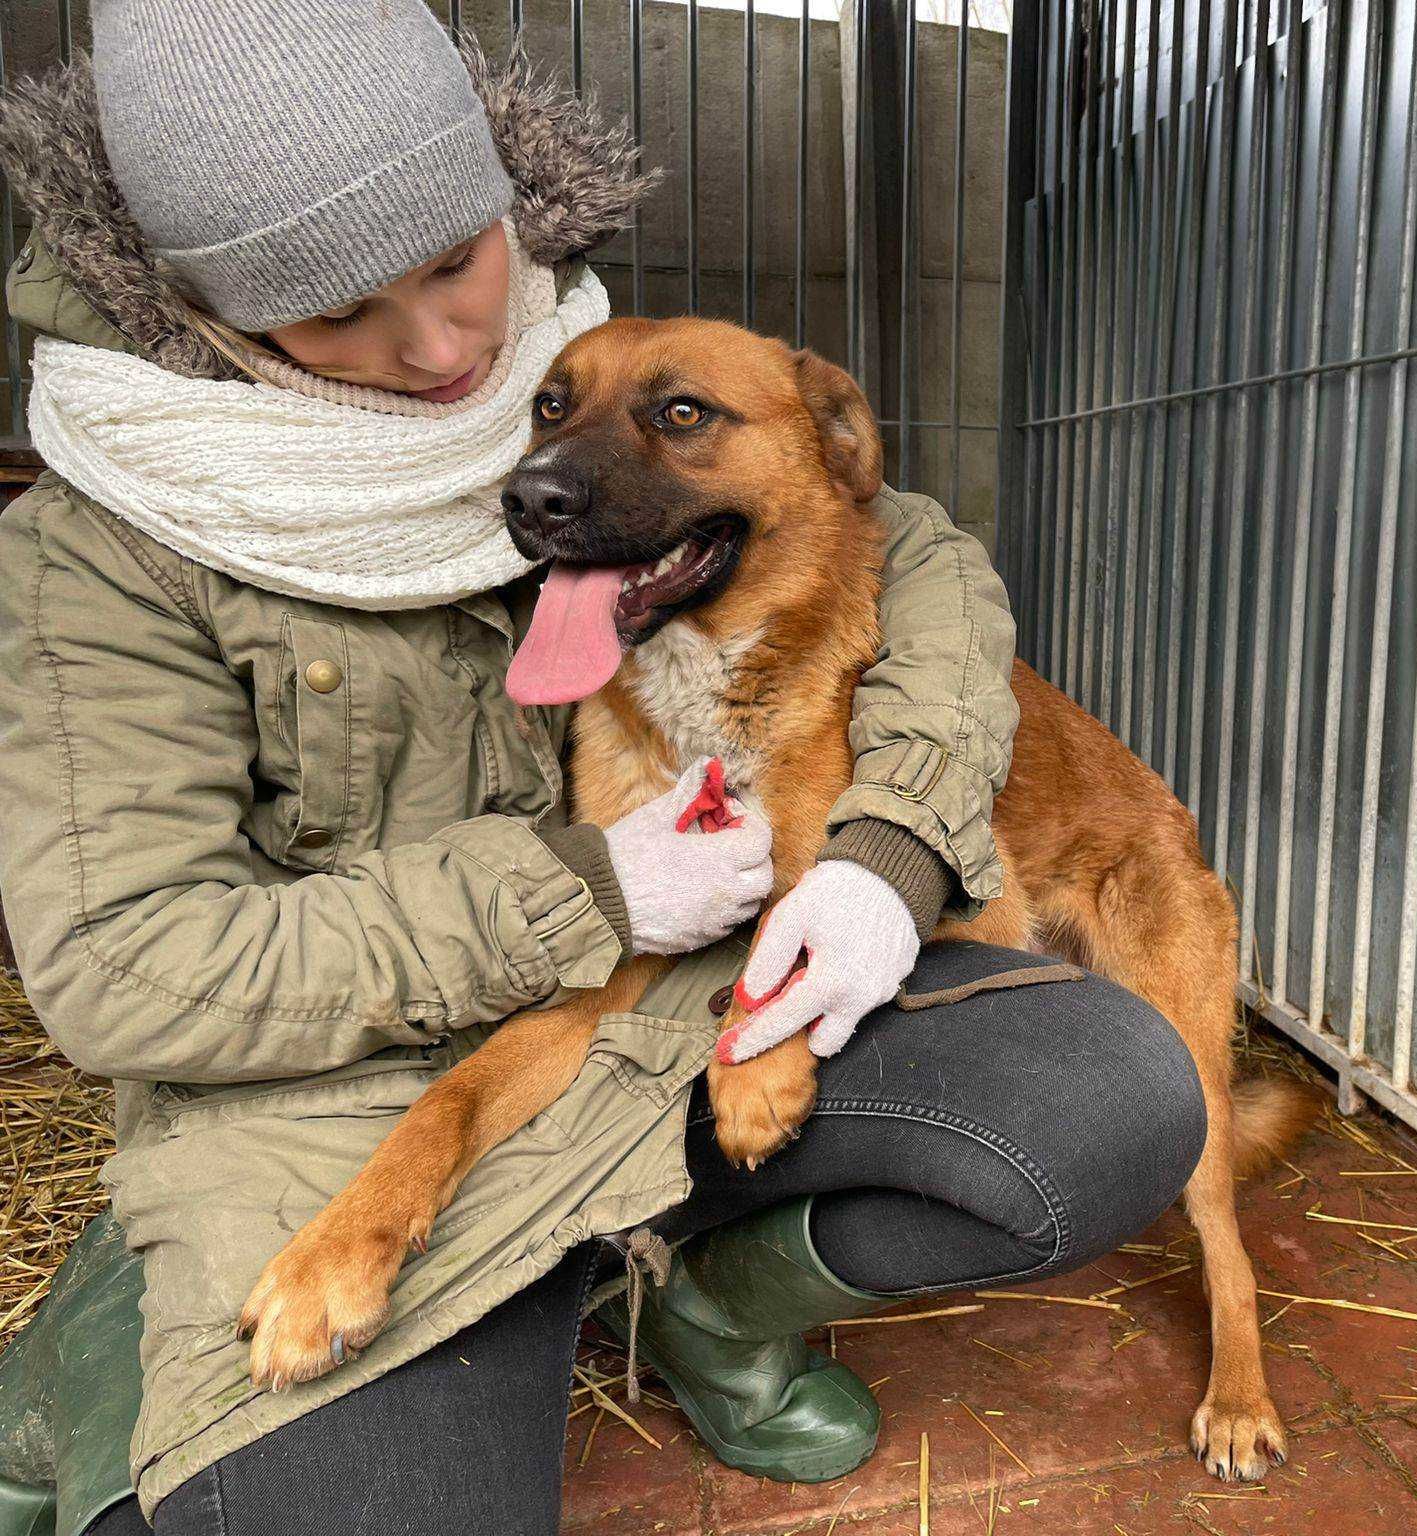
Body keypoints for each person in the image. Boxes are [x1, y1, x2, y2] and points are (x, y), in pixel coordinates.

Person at [0, 4, 1209, 1533]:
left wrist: (889, 853)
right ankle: (81, 1354)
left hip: (674, 1018)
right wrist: (585, 889)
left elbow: (910, 552)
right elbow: (125, 968)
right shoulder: (100, 551)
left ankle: (704, 1306)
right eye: (332, 312)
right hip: (351, 1094)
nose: (442, 352)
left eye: (456, 259)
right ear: (207, 304)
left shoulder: (590, 374)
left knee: (1107, 1086)